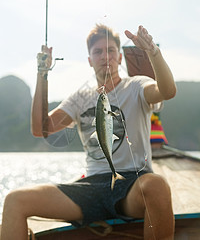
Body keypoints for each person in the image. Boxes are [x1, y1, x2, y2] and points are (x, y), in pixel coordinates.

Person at [0, 25, 176, 240]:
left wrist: (153, 53)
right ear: (89, 60)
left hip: (131, 184)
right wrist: (42, 73)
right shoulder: (80, 98)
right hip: (90, 186)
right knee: (15, 200)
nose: (105, 57)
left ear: (120, 57)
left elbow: (167, 91)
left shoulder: (137, 86)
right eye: (98, 52)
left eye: (111, 50)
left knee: (156, 184)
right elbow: (41, 129)